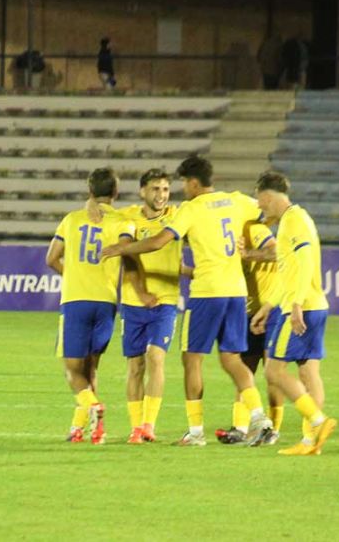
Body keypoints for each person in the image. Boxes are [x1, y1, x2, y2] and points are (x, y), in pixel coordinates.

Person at [101, 156, 272, 447]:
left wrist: (122, 249)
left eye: (182, 183)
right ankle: (259, 418)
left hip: (207, 291)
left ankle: (195, 432)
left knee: (191, 359)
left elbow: (158, 241)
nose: (181, 189)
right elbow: (266, 213)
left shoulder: (191, 209)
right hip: (236, 291)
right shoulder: (237, 201)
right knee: (232, 358)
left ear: (193, 182)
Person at [250, 171, 338, 456]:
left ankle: (317, 420)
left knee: (274, 371)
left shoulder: (293, 221)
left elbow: (304, 263)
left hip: (301, 308)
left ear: (267, 195)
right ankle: (311, 441)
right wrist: (267, 307)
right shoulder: (298, 218)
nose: (259, 206)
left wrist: (296, 304)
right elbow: (289, 273)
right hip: (314, 305)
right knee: (309, 371)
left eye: (259, 200)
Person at [46, 167, 135, 445]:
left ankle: (93, 408)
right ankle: (85, 429)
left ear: (89, 191)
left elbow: (51, 258)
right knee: (91, 368)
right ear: (116, 192)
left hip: (76, 301)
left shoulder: (72, 220)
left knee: (73, 370)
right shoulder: (123, 220)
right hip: (106, 302)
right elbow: (126, 247)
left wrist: (73, 274)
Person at [117, 169, 181, 444]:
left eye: (165, 189)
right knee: (135, 366)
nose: (161, 195)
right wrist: (141, 292)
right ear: (142, 191)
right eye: (155, 189)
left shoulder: (177, 216)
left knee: (156, 357)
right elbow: (127, 257)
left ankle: (148, 424)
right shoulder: (128, 217)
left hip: (165, 300)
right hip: (133, 303)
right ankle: (135, 427)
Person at [215, 220, 284, 445]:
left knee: (272, 372)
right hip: (246, 311)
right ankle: (240, 427)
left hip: (272, 309)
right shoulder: (222, 238)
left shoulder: (254, 229)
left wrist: (249, 255)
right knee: (244, 369)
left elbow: (277, 252)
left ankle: (273, 428)